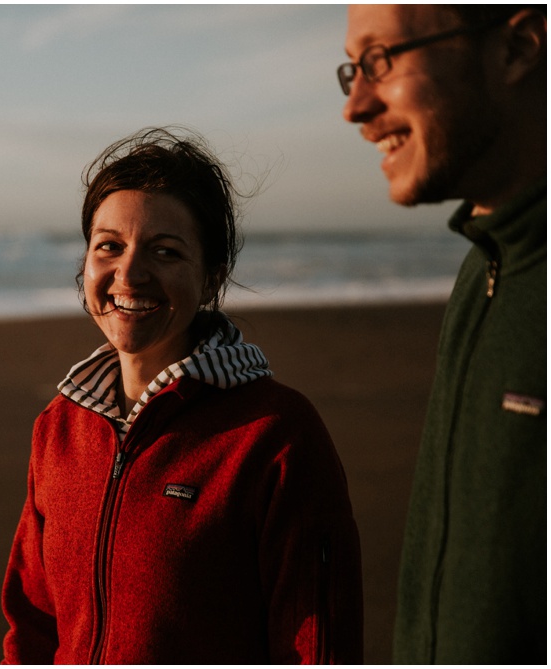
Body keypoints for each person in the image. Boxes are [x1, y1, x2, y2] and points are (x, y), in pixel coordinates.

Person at [0, 128, 363, 664]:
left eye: (165, 251)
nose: (129, 273)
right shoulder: (58, 428)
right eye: (109, 246)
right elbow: (32, 623)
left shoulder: (275, 433)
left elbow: (318, 647)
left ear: (212, 277)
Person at [339, 5, 546, 664]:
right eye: (352, 69)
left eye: (381, 61)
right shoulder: (482, 266)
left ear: (515, 50)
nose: (355, 106)